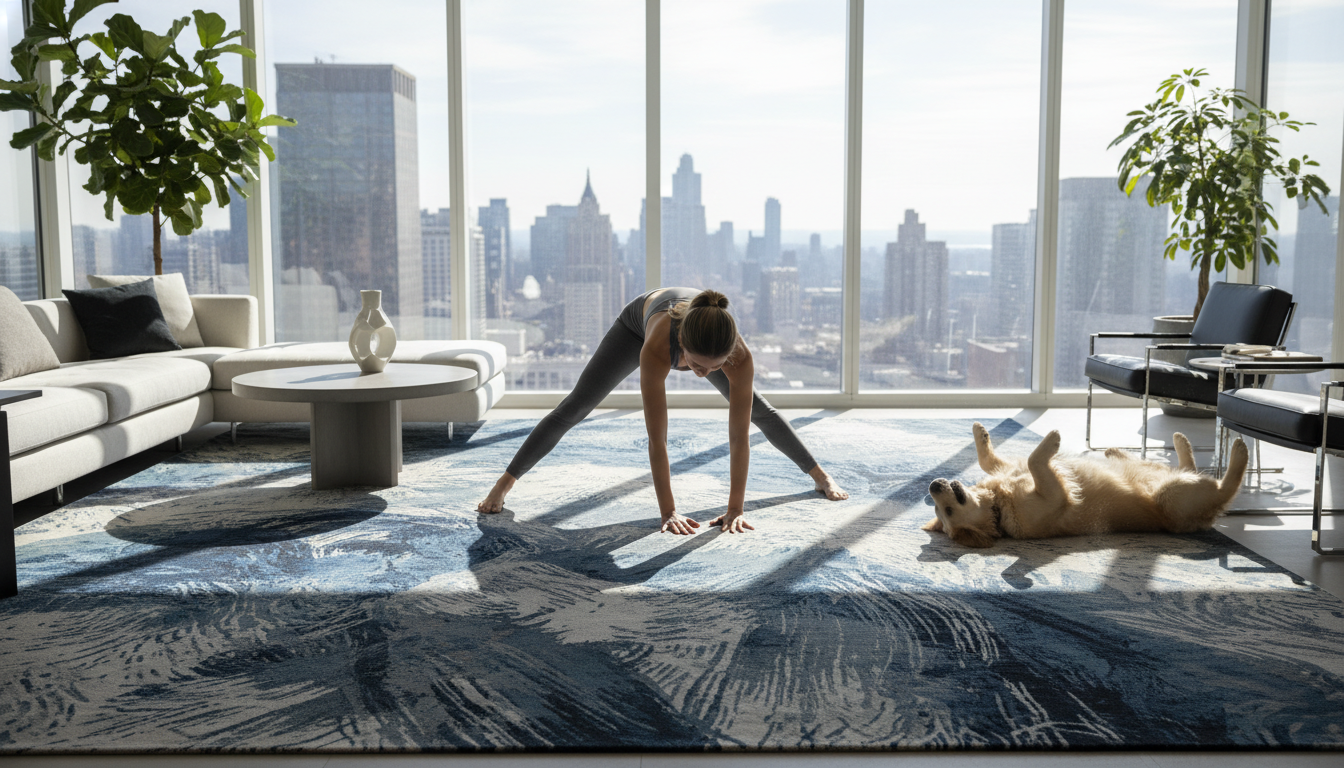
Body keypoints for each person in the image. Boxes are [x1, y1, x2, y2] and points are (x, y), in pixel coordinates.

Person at [476, 287, 848, 534]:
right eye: (697, 366)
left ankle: (820, 475)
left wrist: (736, 508)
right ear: (681, 345)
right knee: (576, 405)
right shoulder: (656, 346)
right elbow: (658, 440)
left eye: (714, 367)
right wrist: (668, 511)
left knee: (760, 412)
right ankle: (503, 484)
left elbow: (739, 440)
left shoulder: (739, 357)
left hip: (704, 331)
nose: (703, 375)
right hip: (637, 323)